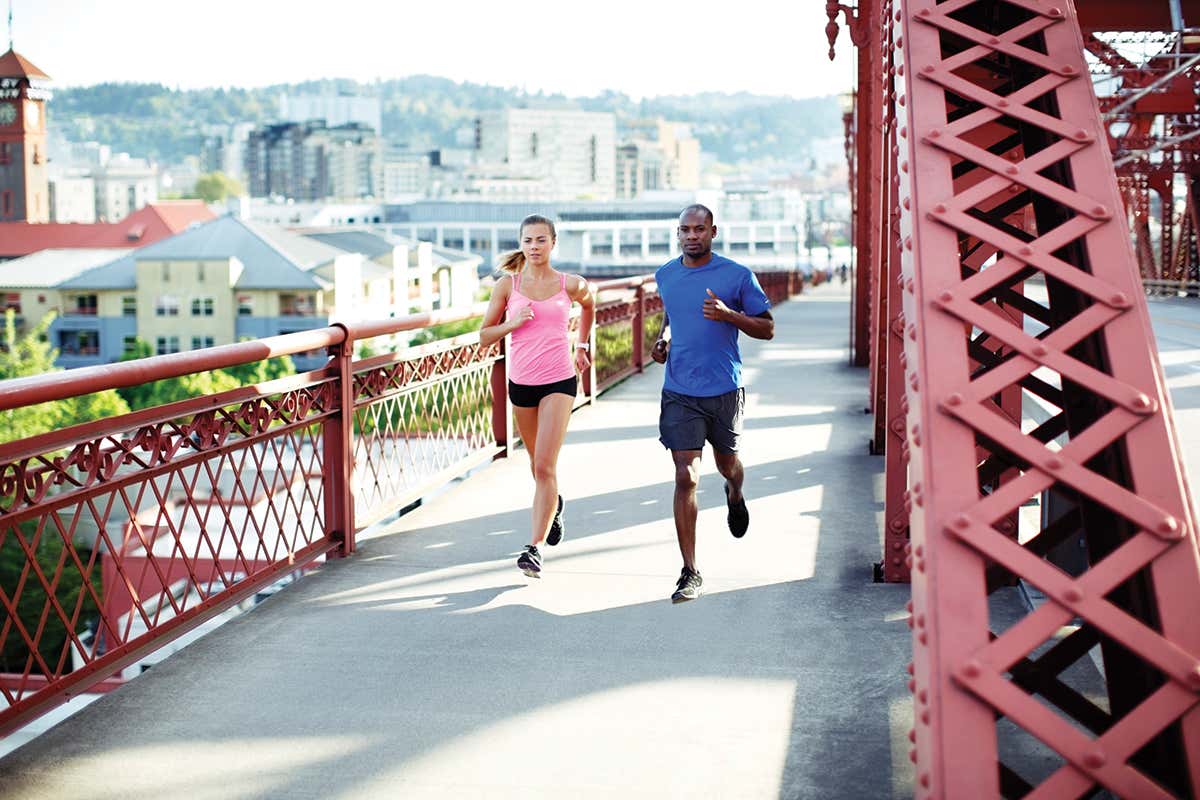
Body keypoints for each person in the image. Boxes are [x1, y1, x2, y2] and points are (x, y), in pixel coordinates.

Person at [651, 204, 774, 603]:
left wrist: (729, 315)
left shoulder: (737, 276)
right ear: (678, 232)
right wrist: (663, 340)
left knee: (726, 466)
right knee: (685, 475)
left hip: (723, 388)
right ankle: (690, 571)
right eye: (685, 229)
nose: (691, 236)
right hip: (680, 390)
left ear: (713, 232)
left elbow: (767, 328)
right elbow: (671, 317)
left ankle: (735, 492)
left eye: (699, 229)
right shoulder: (666, 274)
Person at [480, 214, 595, 578]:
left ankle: (534, 547)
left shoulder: (570, 284)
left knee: (545, 465)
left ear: (553, 243)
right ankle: (555, 504)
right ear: (521, 244)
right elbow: (484, 336)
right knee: (536, 465)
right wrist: (512, 324)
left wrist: (583, 344)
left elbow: (590, 305)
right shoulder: (506, 286)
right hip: (522, 383)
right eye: (528, 241)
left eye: (541, 240)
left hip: (559, 380)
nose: (534, 247)